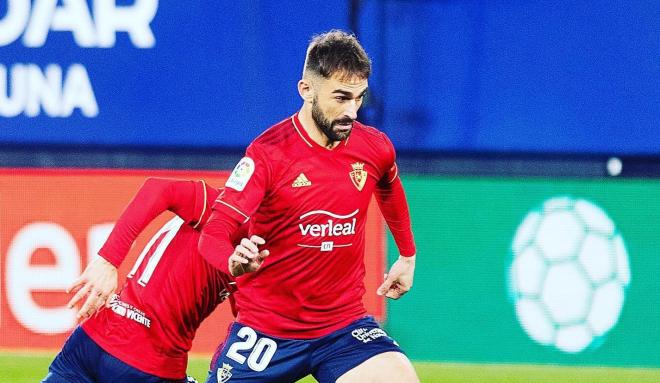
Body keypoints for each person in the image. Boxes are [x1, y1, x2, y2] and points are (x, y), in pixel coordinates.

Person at [199, 30, 420, 383]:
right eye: (341, 98)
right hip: (267, 333)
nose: (351, 111)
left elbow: (390, 187)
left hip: (343, 328)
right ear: (306, 90)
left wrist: (407, 255)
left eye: (359, 99)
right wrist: (232, 261)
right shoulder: (268, 154)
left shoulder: (374, 147)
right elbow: (213, 233)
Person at [42, 178, 264, 383]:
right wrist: (108, 259)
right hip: (149, 364)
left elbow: (246, 317)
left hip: (89, 342)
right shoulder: (236, 220)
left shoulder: (220, 210)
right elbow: (158, 188)